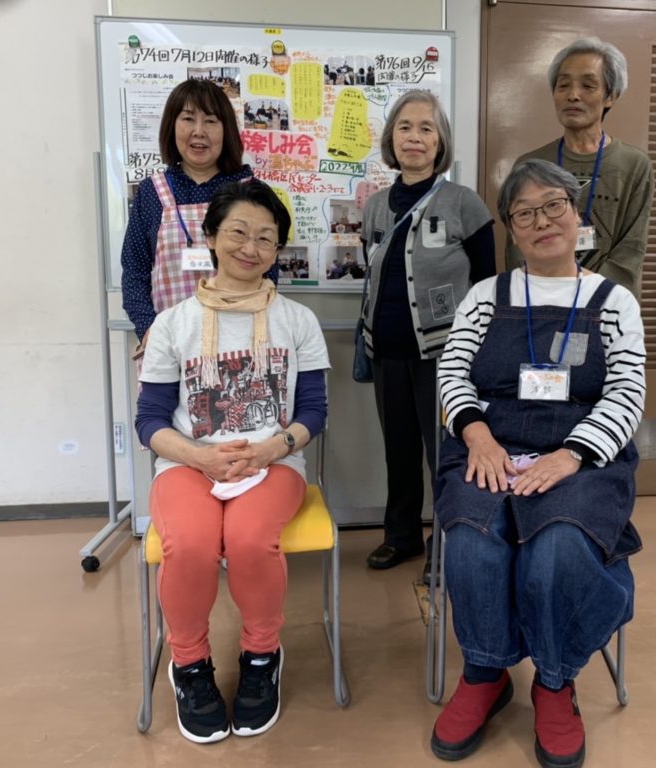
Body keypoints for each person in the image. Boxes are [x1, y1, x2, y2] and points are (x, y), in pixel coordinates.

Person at [430, 159, 644, 768]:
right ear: (511, 229)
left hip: (581, 454)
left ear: (577, 214)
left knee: (557, 547)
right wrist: (476, 435)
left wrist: (573, 454)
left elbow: (626, 392)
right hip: (490, 444)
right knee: (472, 539)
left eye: (553, 206)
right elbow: (452, 372)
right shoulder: (485, 297)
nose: (542, 222)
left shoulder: (613, 301)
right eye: (524, 213)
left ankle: (554, 680)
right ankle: (485, 672)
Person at [135, 180, 330, 744]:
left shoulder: (298, 320)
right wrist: (198, 455)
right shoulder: (173, 322)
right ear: (212, 237)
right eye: (239, 232)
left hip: (274, 463)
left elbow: (314, 410)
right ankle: (190, 664)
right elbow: (150, 421)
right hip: (187, 464)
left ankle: (262, 656)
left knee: (248, 540)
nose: (251, 247)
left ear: (278, 250)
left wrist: (274, 448)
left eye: (266, 238)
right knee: (191, 543)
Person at [360, 90, 497, 572]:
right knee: (397, 450)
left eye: (426, 128)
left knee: (446, 452)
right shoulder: (376, 205)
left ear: (440, 143)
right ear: (391, 138)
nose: (414, 137)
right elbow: (372, 271)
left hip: (446, 355)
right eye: (405, 127)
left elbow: (486, 285)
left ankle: (450, 539)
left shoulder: (465, 203)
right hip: (386, 350)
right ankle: (401, 537)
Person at [510, 37, 653, 300]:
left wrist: (591, 297)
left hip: (606, 303)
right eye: (563, 85)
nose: (573, 95)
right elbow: (518, 244)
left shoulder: (634, 165)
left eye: (588, 85)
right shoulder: (530, 165)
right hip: (543, 302)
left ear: (610, 96)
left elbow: (631, 248)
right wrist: (546, 296)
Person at [121, 78, 254, 357]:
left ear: (226, 130)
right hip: (169, 345)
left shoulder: (250, 192)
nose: (199, 131)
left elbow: (268, 269)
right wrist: (149, 330)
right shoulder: (151, 192)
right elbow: (134, 271)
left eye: (211, 121)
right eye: (188, 119)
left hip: (239, 344)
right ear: (172, 125)